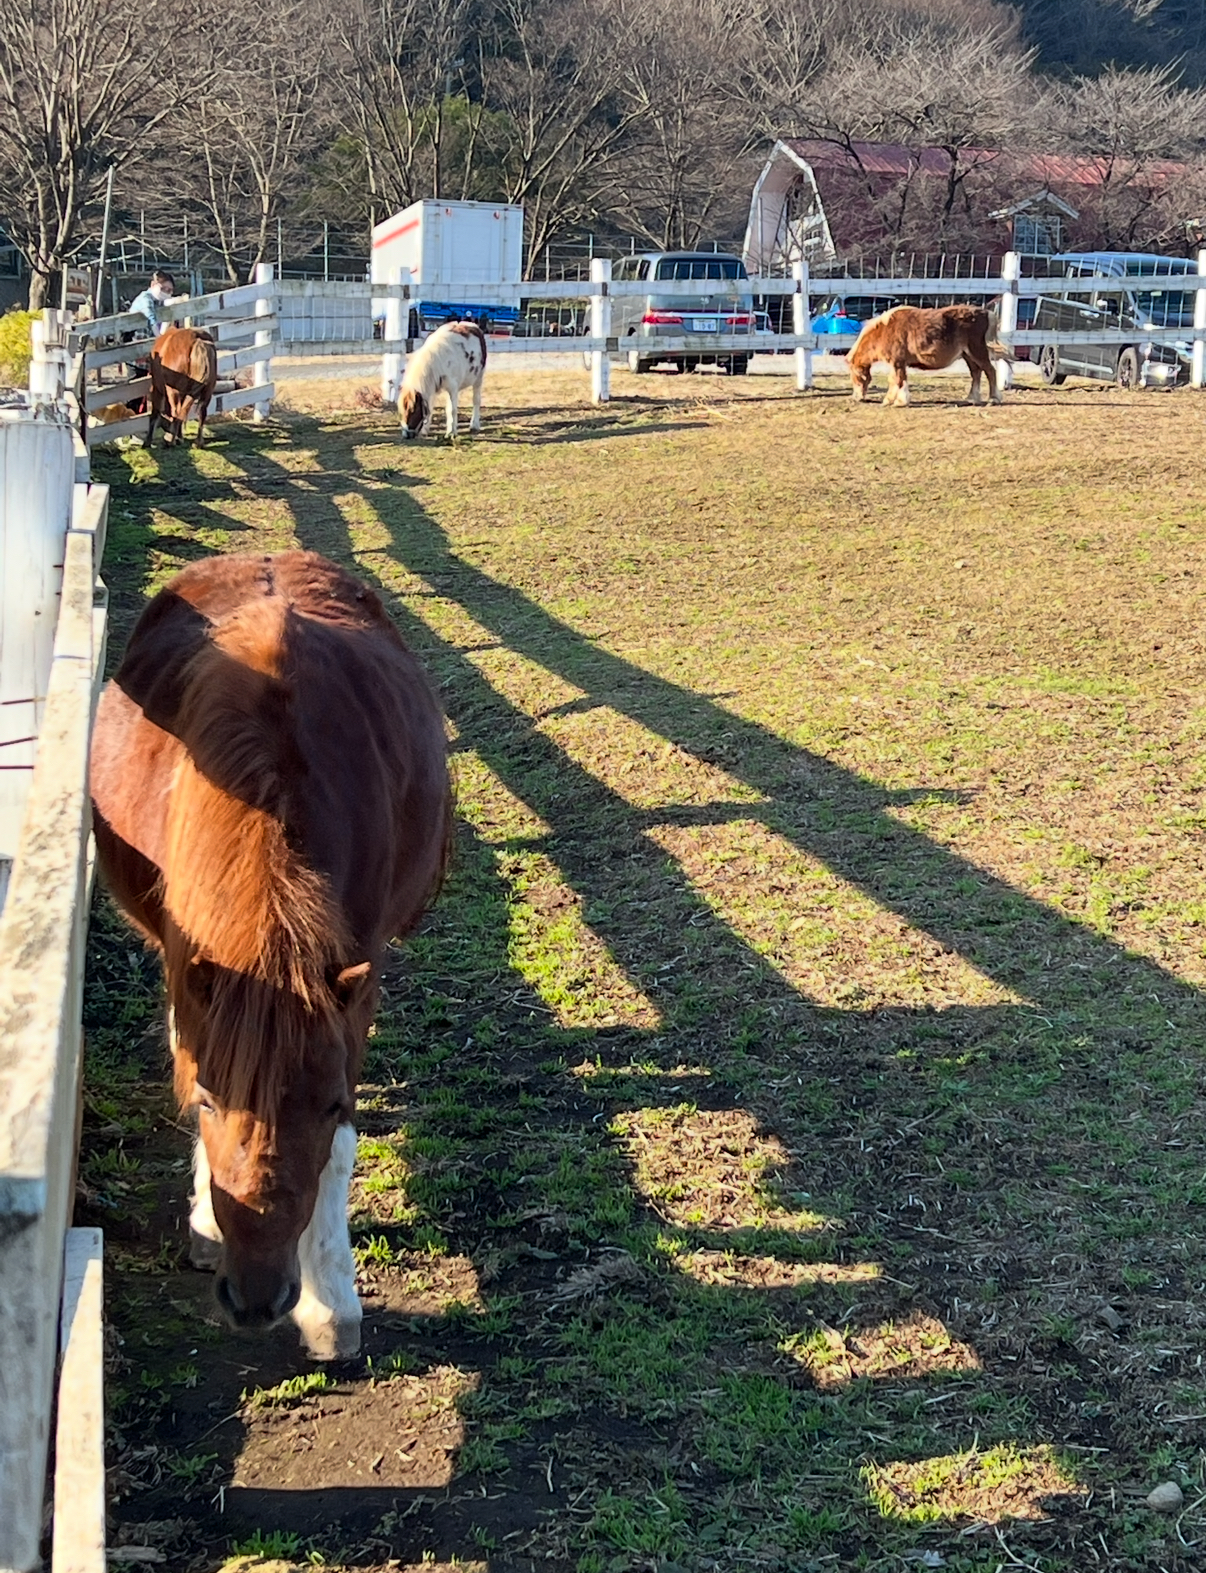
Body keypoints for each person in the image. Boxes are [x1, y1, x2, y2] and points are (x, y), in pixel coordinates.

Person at [128, 270, 175, 337]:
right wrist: (159, 337)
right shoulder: (145, 298)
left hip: (148, 334)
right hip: (137, 334)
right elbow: (151, 317)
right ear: (153, 285)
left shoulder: (159, 300)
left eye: (169, 290)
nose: (165, 292)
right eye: (162, 288)